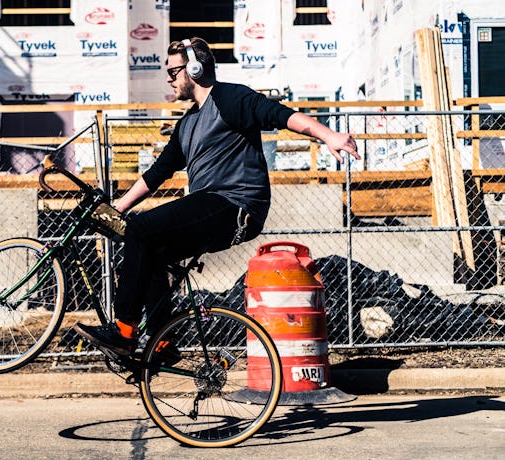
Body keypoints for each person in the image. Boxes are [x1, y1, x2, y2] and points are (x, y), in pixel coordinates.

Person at [74, 37, 360, 355]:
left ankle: (124, 332)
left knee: (142, 228)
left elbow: (280, 115)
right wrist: (117, 208)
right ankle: (160, 342)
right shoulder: (187, 124)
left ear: (194, 69)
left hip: (235, 204)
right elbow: (158, 173)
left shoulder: (229, 98)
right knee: (149, 247)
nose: (169, 79)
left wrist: (328, 134)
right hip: (212, 206)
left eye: (173, 72)